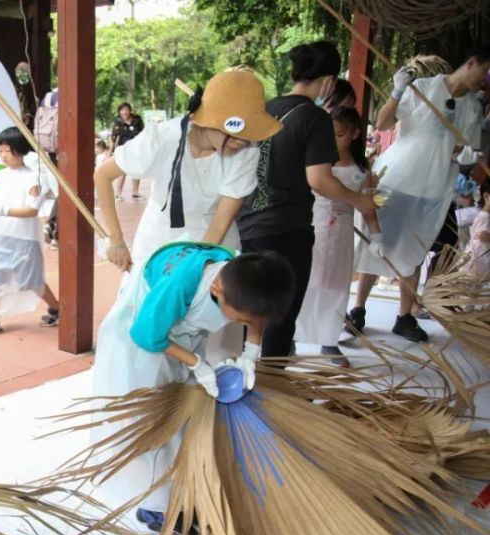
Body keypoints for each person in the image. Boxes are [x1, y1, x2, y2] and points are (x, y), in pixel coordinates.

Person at [93, 243, 294, 535]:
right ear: (217, 290)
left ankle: (181, 491)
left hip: (180, 335)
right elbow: (146, 335)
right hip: (139, 339)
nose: (242, 324)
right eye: (238, 320)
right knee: (153, 423)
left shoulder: (242, 274)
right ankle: (153, 507)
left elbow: (255, 313)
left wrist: (252, 350)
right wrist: (198, 364)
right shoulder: (181, 285)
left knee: (186, 417)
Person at [205, 41, 377, 358]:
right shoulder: (314, 118)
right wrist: (358, 200)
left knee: (247, 310)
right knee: (279, 317)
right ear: (328, 81)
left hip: (246, 225)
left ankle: (247, 379)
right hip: (286, 231)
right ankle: (272, 389)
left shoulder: (265, 109)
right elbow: (319, 180)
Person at [348, 48, 489, 341]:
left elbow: (463, 152)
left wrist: (465, 155)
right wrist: (398, 91)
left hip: (432, 190)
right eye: (485, 73)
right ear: (472, 62)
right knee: (376, 244)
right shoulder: (423, 88)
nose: (486, 81)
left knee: (413, 251)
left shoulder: (473, 108)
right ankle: (358, 310)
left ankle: (404, 316)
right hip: (394, 180)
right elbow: (384, 122)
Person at [96, 70, 280, 270]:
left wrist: (191, 270)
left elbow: (220, 223)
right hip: (159, 242)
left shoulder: (247, 151)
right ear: (209, 121)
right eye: (235, 133)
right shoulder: (163, 138)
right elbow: (103, 175)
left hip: (214, 244)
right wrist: (116, 239)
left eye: (248, 135)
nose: (241, 142)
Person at [294, 106, 378, 366]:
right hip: (313, 227)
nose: (333, 140)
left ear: (354, 134)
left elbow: (369, 205)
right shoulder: (316, 164)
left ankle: (329, 341)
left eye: (340, 134)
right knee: (305, 283)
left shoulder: (362, 171)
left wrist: (377, 236)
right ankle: (290, 336)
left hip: (341, 233)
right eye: (329, 134)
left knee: (336, 285)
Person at [0, 127, 60, 337]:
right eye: (0, 150)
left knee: (31, 280)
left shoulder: (32, 178)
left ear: (20, 150)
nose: (3, 155)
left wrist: (5, 210)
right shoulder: (2, 175)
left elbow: (32, 209)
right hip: (2, 235)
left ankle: (57, 308)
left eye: (8, 150)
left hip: (25, 238)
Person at [111, 102, 145, 200]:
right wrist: (110, 152)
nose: (124, 112)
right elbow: (113, 138)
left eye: (126, 109)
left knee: (137, 170)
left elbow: (143, 133)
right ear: (119, 112)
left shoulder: (137, 119)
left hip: (136, 148)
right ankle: (118, 193)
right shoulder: (118, 122)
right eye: (122, 110)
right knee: (122, 170)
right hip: (123, 149)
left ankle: (135, 192)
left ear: (130, 110)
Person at [463, 189, 490, 275]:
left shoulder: (483, 216)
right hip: (476, 255)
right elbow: (483, 235)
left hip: (480, 257)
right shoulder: (483, 216)